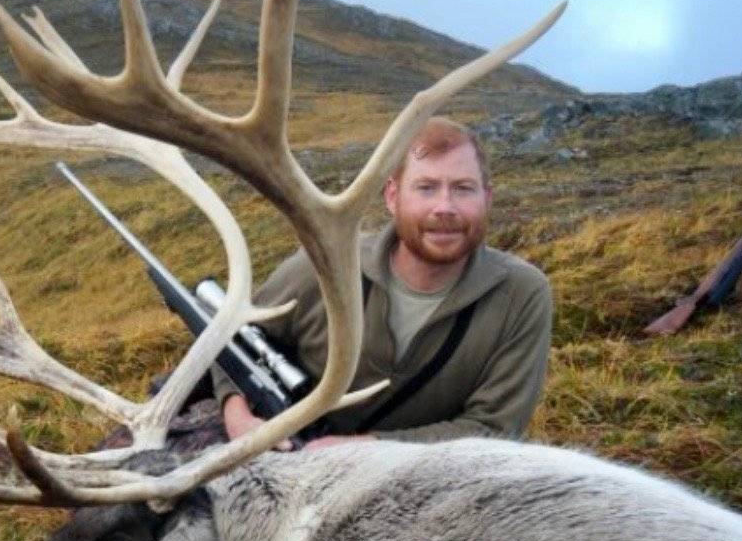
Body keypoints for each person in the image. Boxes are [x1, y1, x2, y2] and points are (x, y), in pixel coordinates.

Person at [214, 117, 552, 449]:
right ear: (393, 196)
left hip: (424, 479)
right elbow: (230, 341)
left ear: (487, 198)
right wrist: (237, 414)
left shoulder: (521, 295)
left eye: (463, 189)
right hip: (284, 447)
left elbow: (494, 430)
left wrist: (367, 448)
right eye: (426, 187)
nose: (445, 207)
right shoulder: (321, 265)